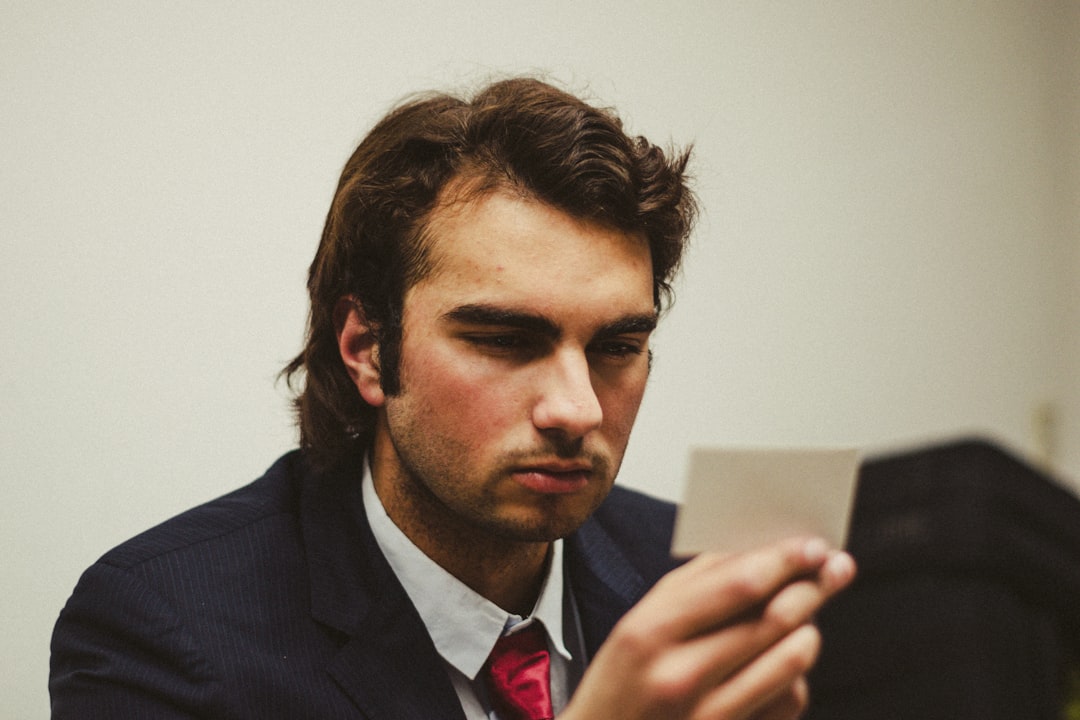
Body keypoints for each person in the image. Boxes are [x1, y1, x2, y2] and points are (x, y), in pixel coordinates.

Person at [50, 77, 855, 719]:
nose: (576, 410)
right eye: (505, 340)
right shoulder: (162, 631)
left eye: (617, 347)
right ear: (368, 349)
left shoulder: (696, 585)